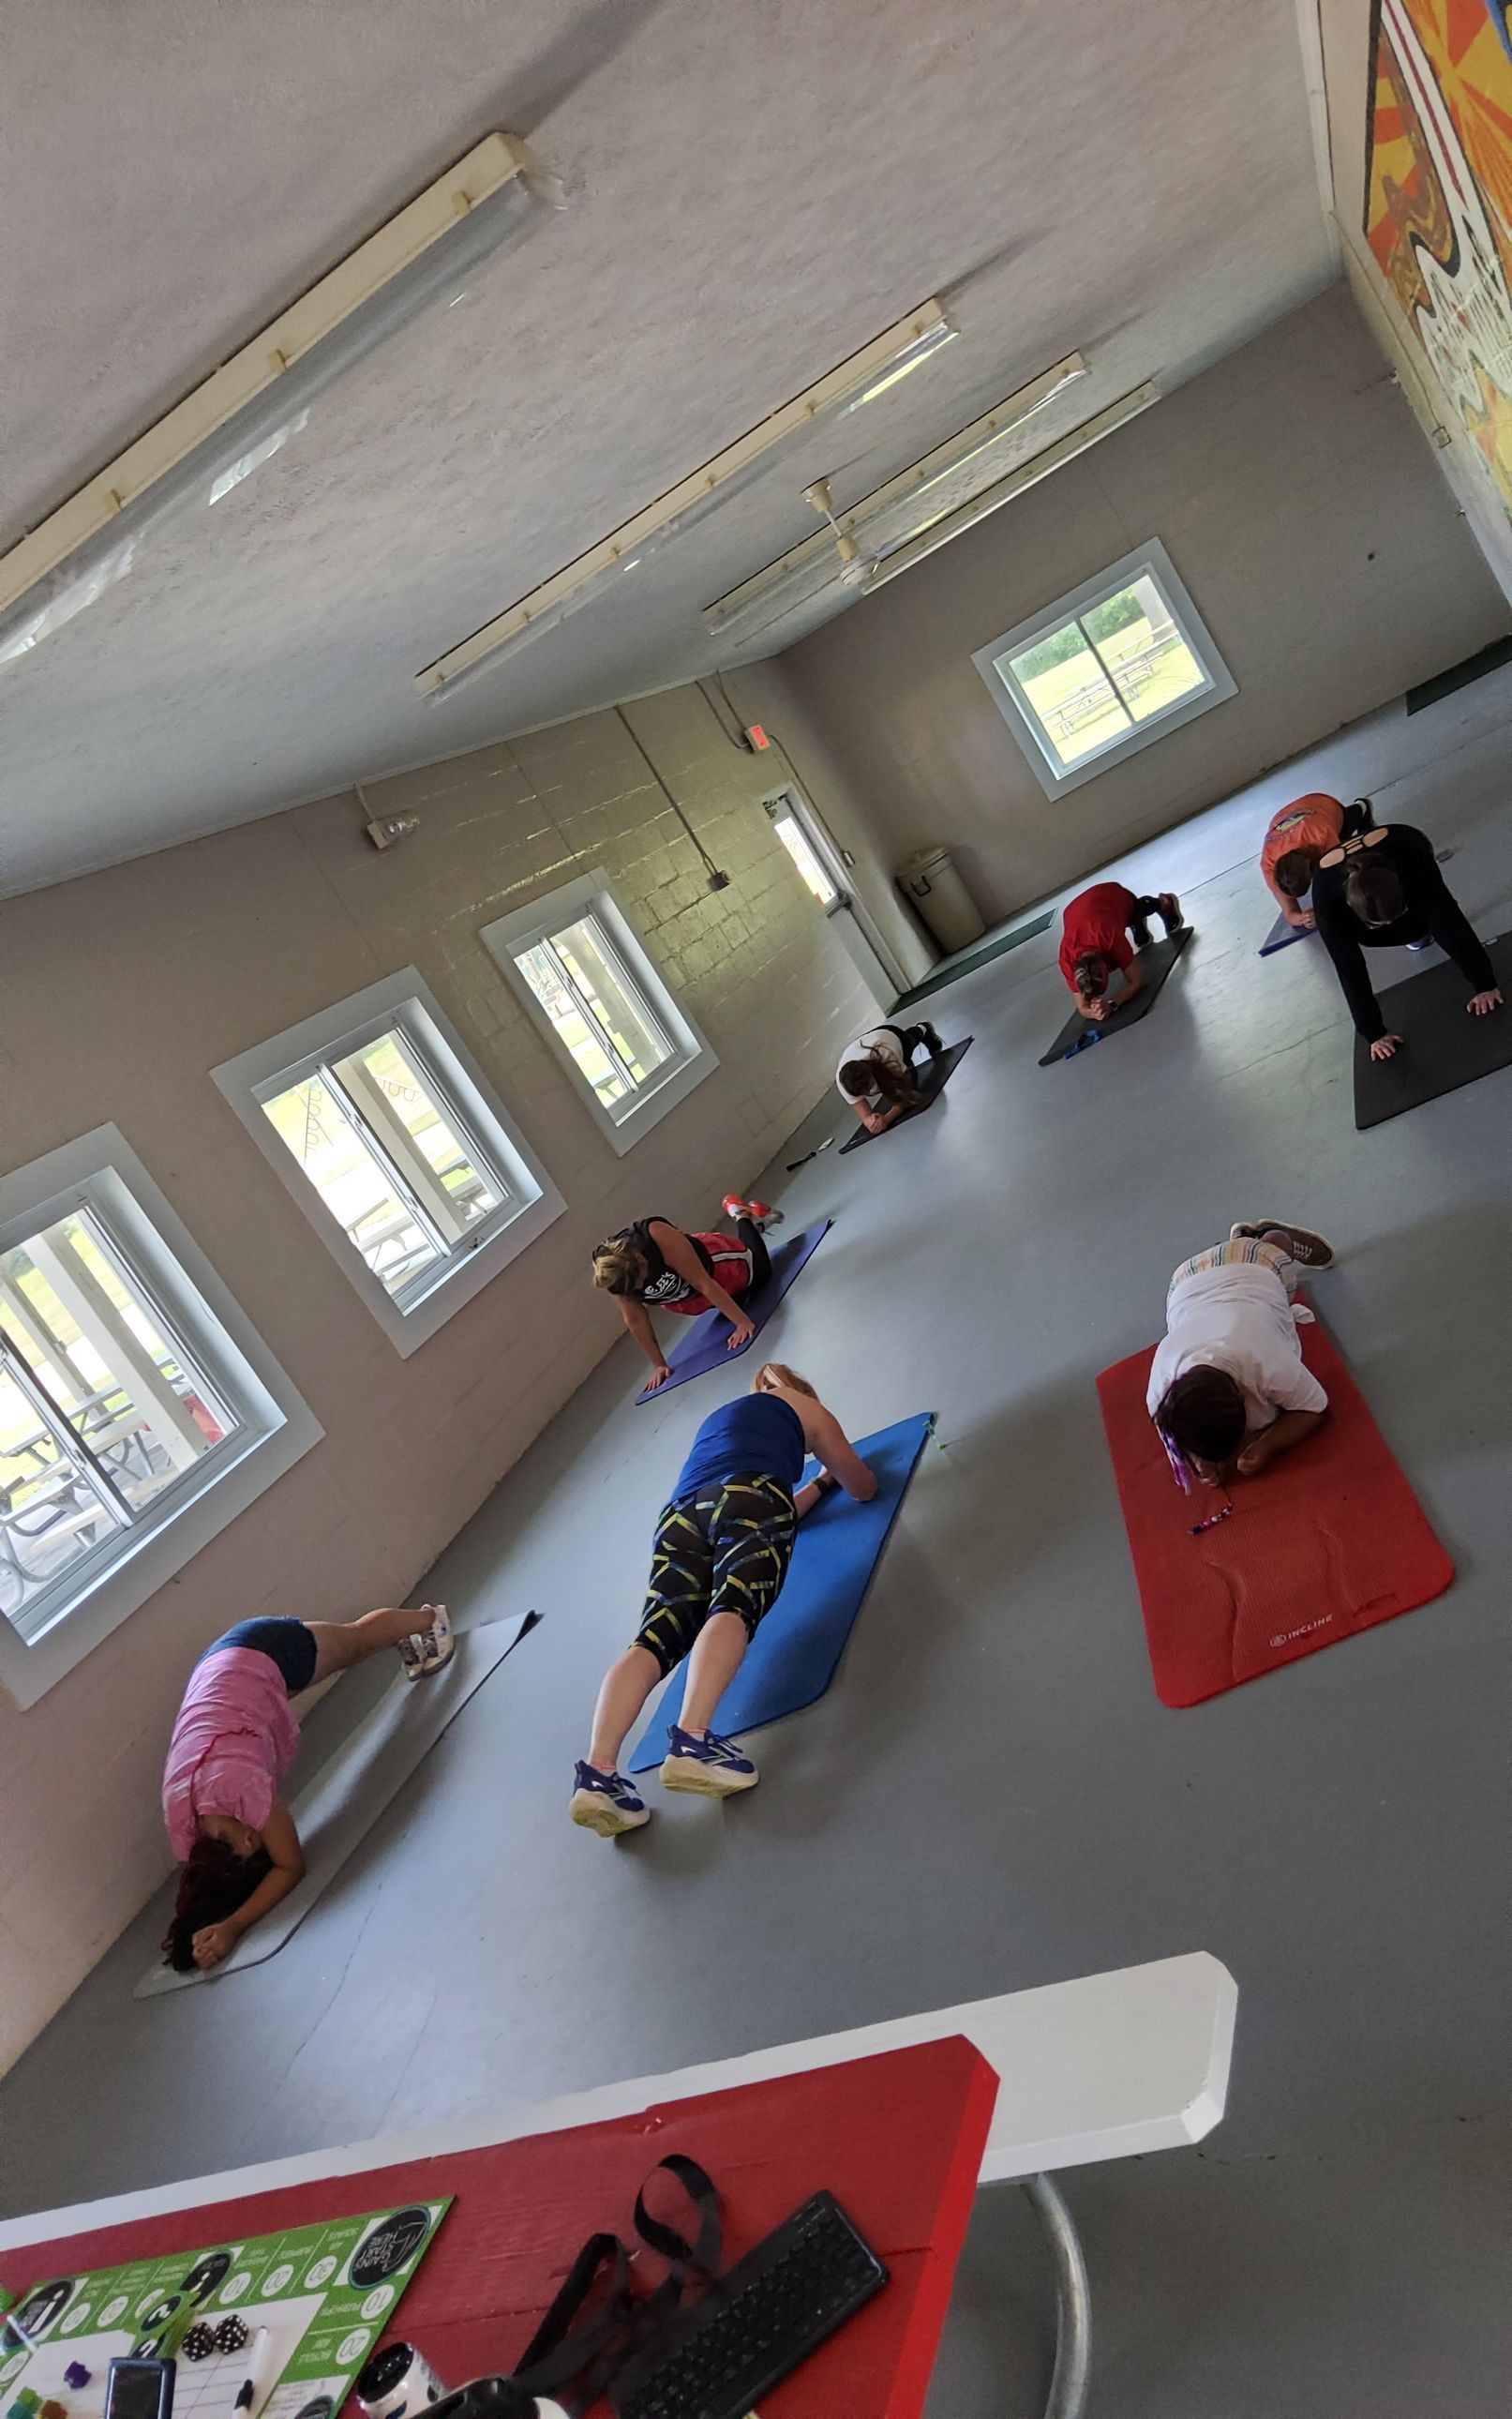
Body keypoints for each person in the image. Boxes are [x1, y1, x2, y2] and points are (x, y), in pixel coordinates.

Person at [569, 1364, 876, 1837]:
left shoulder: (721, 1417)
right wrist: (829, 1470)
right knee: (733, 1604)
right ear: (803, 1391)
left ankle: (598, 1775)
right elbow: (862, 1486)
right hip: (753, 1494)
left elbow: (732, 1494)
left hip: (680, 1517)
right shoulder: (808, 1408)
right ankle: (693, 1741)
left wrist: (815, 1487)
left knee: (653, 1639)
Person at [160, 1605, 454, 1972]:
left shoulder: (242, 1788)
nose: (260, 1842)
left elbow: (290, 1867)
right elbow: (203, 1890)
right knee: (332, 1658)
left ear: (248, 1842)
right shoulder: (184, 1829)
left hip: (263, 1647)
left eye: (253, 1848)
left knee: (358, 1641)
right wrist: (205, 1926)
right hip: (218, 1672)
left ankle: (431, 1619)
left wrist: (233, 1926)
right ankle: (406, 1632)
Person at [1147, 1222, 1337, 1491]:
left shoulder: (1263, 1360)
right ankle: (1236, 1245)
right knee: (1232, 1257)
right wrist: (1200, 1460)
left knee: (1275, 1247)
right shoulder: (1160, 1400)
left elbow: (1315, 1408)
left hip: (1254, 1268)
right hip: (1184, 1283)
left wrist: (1269, 1444)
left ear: (1241, 1392)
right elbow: (1176, 1439)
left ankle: (1272, 1238)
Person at [1310, 823, 1502, 1060]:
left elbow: (1451, 923)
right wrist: (1374, 1033)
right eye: (1378, 924)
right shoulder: (1326, 898)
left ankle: (1415, 928)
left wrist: (1485, 985)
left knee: (1432, 919)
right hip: (1354, 896)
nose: (1388, 925)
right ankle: (1394, 926)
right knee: (1386, 935)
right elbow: (1349, 968)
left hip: (1405, 843)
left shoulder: (1411, 859)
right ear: (1350, 906)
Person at [591, 1200, 781, 1390]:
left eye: (640, 1281)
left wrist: (741, 1322)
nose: (642, 1288)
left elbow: (702, 1282)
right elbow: (634, 1318)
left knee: (762, 1273)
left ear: (639, 1260)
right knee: (738, 1299)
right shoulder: (612, 1274)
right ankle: (752, 1225)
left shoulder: (654, 1234)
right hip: (689, 1296)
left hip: (715, 1265)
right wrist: (659, 1365)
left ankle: (741, 1215)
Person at [1058, 882, 1184, 1021]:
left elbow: (1136, 982)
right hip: (1080, 911)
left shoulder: (1109, 936)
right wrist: (1094, 1012)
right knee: (1140, 940)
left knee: (1137, 910)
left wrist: (1112, 1004)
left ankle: (1164, 903)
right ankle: (1136, 923)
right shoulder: (1066, 958)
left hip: (1110, 894)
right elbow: (1082, 1008)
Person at [1262, 793, 1372, 928]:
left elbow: (1344, 879)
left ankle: (1359, 809)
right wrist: (1303, 918)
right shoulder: (1268, 865)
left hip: (1321, 803)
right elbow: (1289, 913)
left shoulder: (1320, 835)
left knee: (1352, 851)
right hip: (1284, 817)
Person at [834, 1019, 944, 1134]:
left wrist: (887, 1119)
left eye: (868, 1088)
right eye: (863, 1092)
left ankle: (924, 1028)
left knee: (911, 1040)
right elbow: (865, 1116)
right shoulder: (844, 1083)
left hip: (889, 1036)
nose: (868, 1093)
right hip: (863, 1044)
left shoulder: (886, 1054)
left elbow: (906, 1097)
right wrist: (871, 1122)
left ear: (871, 1073)